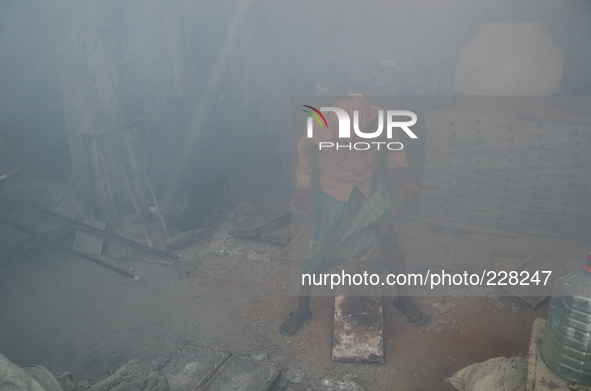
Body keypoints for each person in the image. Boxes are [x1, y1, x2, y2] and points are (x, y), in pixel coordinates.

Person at [280, 94, 427, 336]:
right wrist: (304, 187)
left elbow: (394, 150)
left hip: (370, 188)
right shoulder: (318, 124)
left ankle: (404, 299)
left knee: (389, 240)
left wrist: (403, 183)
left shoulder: (381, 120)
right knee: (316, 252)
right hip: (333, 191)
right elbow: (304, 151)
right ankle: (302, 308)